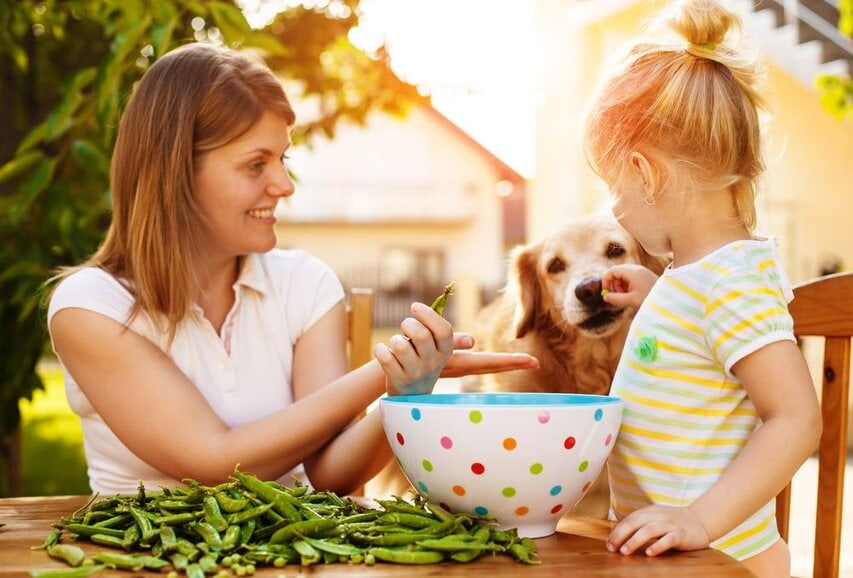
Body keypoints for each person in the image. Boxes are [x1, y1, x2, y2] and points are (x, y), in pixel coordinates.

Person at [45, 42, 538, 497]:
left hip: (290, 561)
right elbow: (214, 462)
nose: (284, 184)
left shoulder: (304, 284)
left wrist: (403, 395)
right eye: (256, 164)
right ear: (175, 171)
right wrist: (376, 373)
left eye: (282, 158)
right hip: (139, 563)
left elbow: (328, 473)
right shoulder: (90, 306)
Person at [582, 1, 822, 576]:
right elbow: (699, 344)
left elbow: (795, 418)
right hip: (680, 559)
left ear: (646, 172)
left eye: (615, 191)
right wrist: (650, 294)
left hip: (724, 561)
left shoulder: (731, 282)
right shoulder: (696, 277)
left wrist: (699, 520)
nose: (615, 212)